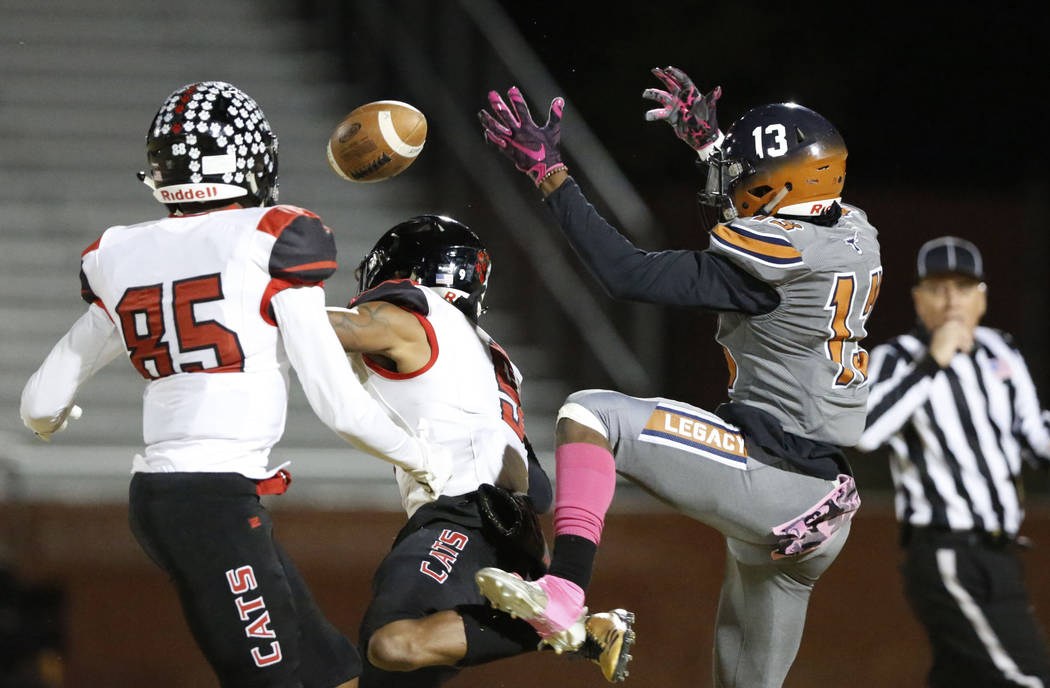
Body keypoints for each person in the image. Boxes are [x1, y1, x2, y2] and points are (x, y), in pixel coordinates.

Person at [19, 81, 453, 688]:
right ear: (251, 159)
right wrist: (426, 462)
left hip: (173, 499)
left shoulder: (119, 254)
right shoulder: (273, 237)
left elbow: (40, 402)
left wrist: (51, 422)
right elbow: (339, 406)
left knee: (332, 672)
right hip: (212, 504)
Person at [474, 66, 881, 687]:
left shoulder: (769, 265)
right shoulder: (851, 229)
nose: (732, 186)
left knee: (592, 414)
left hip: (772, 476)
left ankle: (564, 591)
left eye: (746, 178)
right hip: (823, 510)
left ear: (779, 189)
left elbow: (627, 274)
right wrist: (713, 148)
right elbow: (774, 200)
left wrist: (549, 176)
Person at [325, 215, 635, 686]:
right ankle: (552, 620)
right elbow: (541, 489)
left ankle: (576, 631)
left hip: (463, 517)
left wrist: (251, 306)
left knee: (392, 642)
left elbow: (337, 328)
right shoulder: (487, 355)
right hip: (514, 536)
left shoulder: (417, 314)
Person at [857, 236, 1050, 687]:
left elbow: (1035, 441)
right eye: (938, 288)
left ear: (981, 296)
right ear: (917, 298)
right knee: (1027, 678)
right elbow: (866, 432)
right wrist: (933, 361)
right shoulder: (896, 358)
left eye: (963, 287)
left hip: (1001, 557)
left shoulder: (1001, 351)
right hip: (945, 552)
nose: (951, 300)